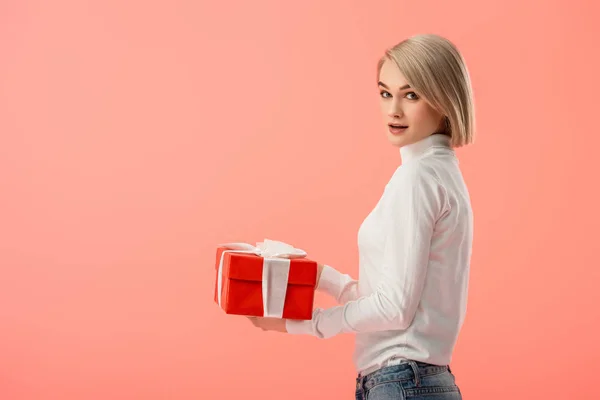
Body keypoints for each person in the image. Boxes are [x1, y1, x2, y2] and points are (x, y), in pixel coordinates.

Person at [248, 33, 475, 400]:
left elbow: (395, 309)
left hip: (402, 383)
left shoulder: (417, 179)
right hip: (415, 381)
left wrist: (302, 323)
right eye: (386, 92)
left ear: (445, 98)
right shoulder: (442, 173)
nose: (393, 109)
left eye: (411, 94)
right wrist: (323, 277)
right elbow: (396, 301)